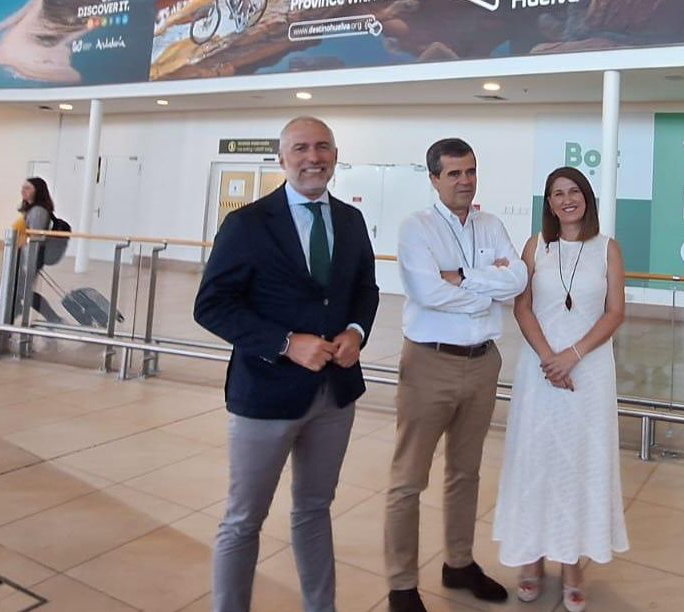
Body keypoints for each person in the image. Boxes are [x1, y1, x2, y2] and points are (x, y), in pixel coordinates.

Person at [194, 116, 379, 612]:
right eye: (300, 148)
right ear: (282, 159)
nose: (312, 158)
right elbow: (211, 305)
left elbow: (365, 289)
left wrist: (356, 332)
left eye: (322, 148)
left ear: (336, 156)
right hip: (265, 394)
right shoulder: (248, 224)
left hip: (334, 396)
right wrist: (284, 342)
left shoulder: (350, 220)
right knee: (243, 520)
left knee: (315, 510)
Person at [385, 138, 527, 612]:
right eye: (453, 174)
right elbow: (427, 293)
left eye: (470, 171)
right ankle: (402, 583)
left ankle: (459, 563)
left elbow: (519, 280)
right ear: (433, 179)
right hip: (429, 363)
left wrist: (462, 277)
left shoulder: (491, 224)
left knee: (466, 472)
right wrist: (489, 285)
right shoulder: (416, 228)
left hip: (483, 363)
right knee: (409, 478)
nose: (464, 181)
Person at [492, 167, 628, 612]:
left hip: (588, 371)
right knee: (536, 459)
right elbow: (523, 305)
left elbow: (614, 312)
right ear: (548, 203)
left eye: (574, 192)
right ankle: (530, 559)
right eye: (557, 194)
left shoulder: (608, 248)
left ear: (586, 198)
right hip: (540, 368)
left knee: (580, 464)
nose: (567, 200)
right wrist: (550, 356)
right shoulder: (536, 246)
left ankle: (572, 564)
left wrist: (572, 354)